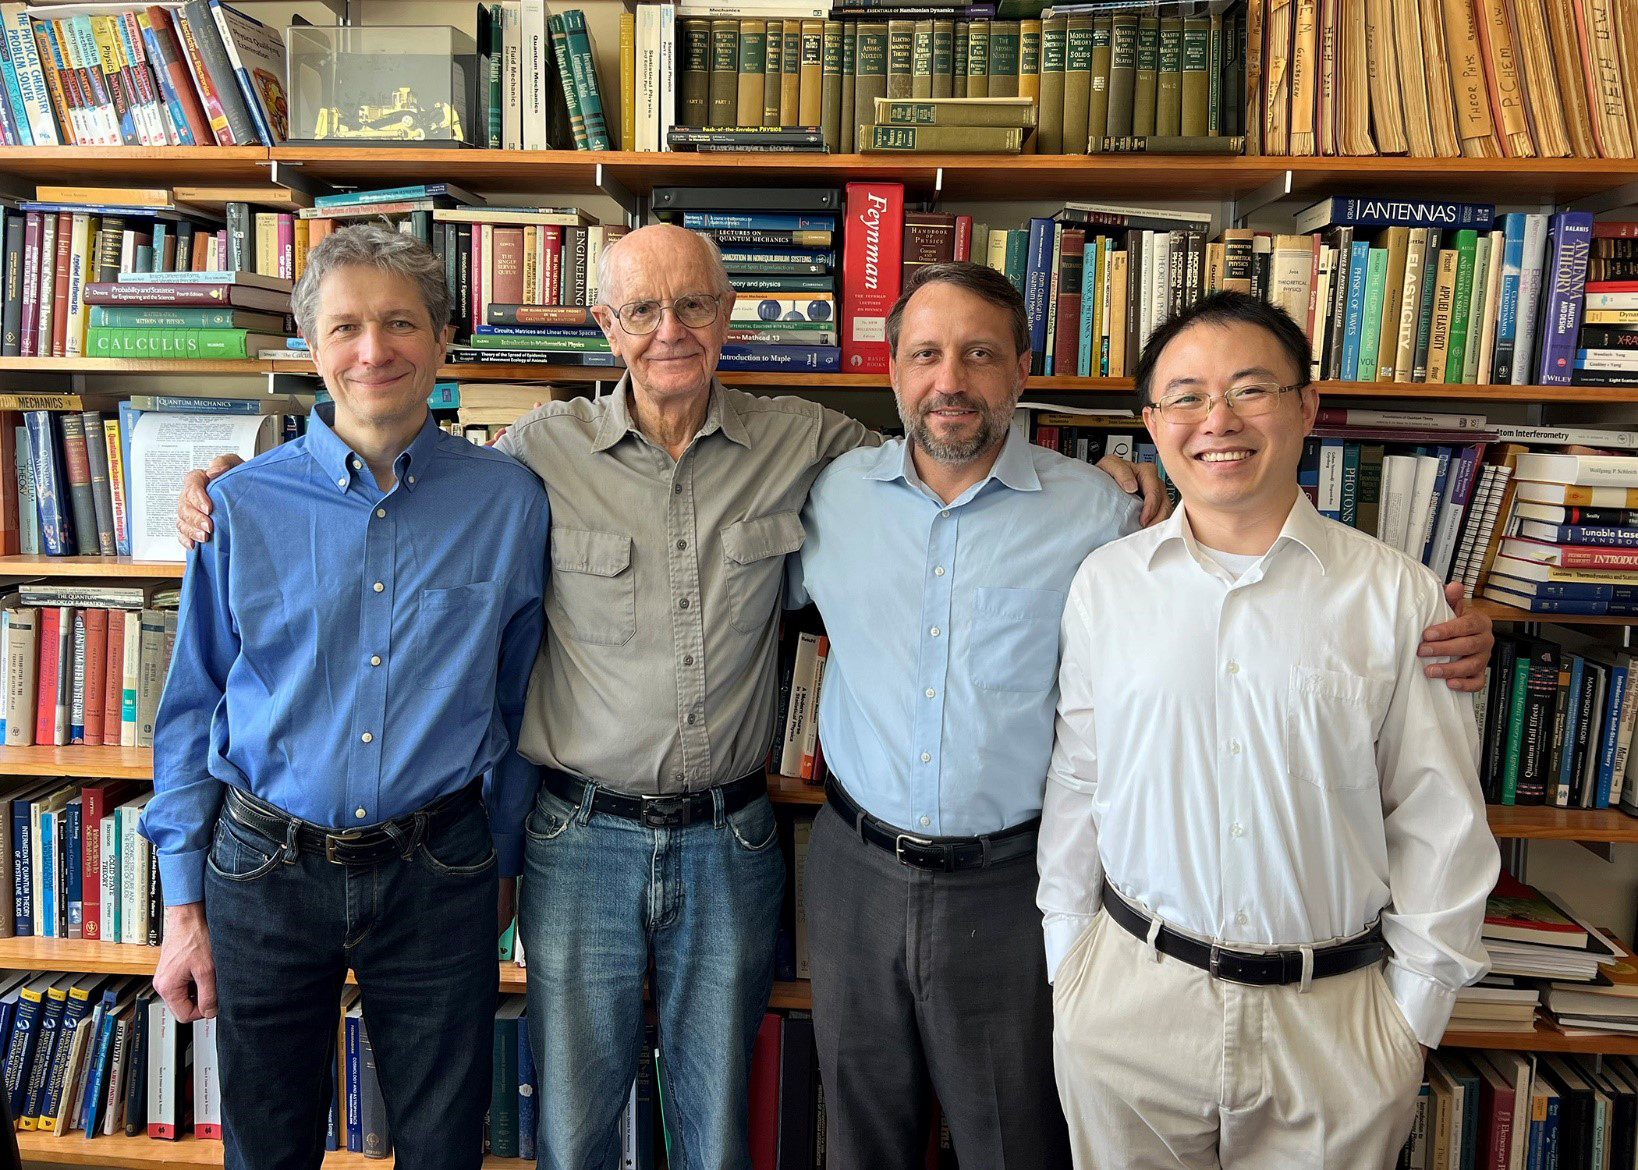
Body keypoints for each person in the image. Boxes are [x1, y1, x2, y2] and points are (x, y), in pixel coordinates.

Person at [170, 224, 1153, 1169]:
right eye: (641, 308)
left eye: (692, 304)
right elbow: (396, 483)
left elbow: (944, 450)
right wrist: (235, 479)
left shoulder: (812, 447)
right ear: (606, 324)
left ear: (728, 316)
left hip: (731, 841)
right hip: (576, 839)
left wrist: (1115, 477)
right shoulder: (530, 461)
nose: (668, 329)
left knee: (714, 1123)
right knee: (572, 1124)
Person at [790, 267, 1495, 1169]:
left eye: (980, 353)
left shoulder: (1105, 514)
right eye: (924, 354)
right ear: (891, 372)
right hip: (859, 867)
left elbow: (1437, 813)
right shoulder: (831, 492)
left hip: (1012, 880)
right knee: (858, 1127)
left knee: (1013, 1141)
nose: (950, 379)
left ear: (1022, 371)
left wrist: (1413, 1016)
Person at [1040, 290, 1502, 1170]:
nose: (1217, 420)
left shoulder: (1398, 594)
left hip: (1335, 1027)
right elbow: (1079, 782)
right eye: (1185, 396)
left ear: (1306, 408)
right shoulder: (1105, 584)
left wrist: (1412, 1018)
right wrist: (1072, 966)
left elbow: (1438, 816)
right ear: (1151, 421)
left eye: (1251, 390)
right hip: (1131, 1008)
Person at [145, 224, 549, 1170]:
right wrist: (182, 907)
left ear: (443, 342)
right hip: (262, 867)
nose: (375, 351)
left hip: (437, 865)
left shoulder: (510, 501)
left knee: (444, 1147)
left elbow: (519, 690)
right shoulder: (239, 506)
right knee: (267, 1144)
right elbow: (194, 702)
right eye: (347, 328)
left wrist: (497, 860)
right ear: (311, 348)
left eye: (401, 323)